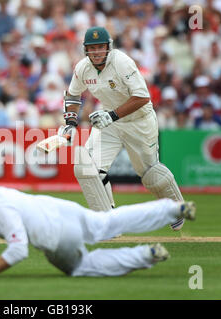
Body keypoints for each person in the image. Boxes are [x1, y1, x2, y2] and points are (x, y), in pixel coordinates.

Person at [0, 167, 196, 278]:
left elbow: (18, 251)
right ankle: (173, 209)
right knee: (108, 221)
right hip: (61, 209)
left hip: (57, 236)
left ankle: (146, 255)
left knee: (82, 267)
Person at [60, 26, 185, 231]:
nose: (97, 52)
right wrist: (70, 123)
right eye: (92, 48)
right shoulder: (83, 67)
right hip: (109, 121)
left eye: (100, 47)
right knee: (87, 167)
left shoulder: (122, 63)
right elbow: (73, 95)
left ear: (108, 47)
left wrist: (111, 115)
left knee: (150, 173)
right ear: (86, 50)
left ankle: (175, 209)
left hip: (139, 121)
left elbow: (143, 97)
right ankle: (107, 223)